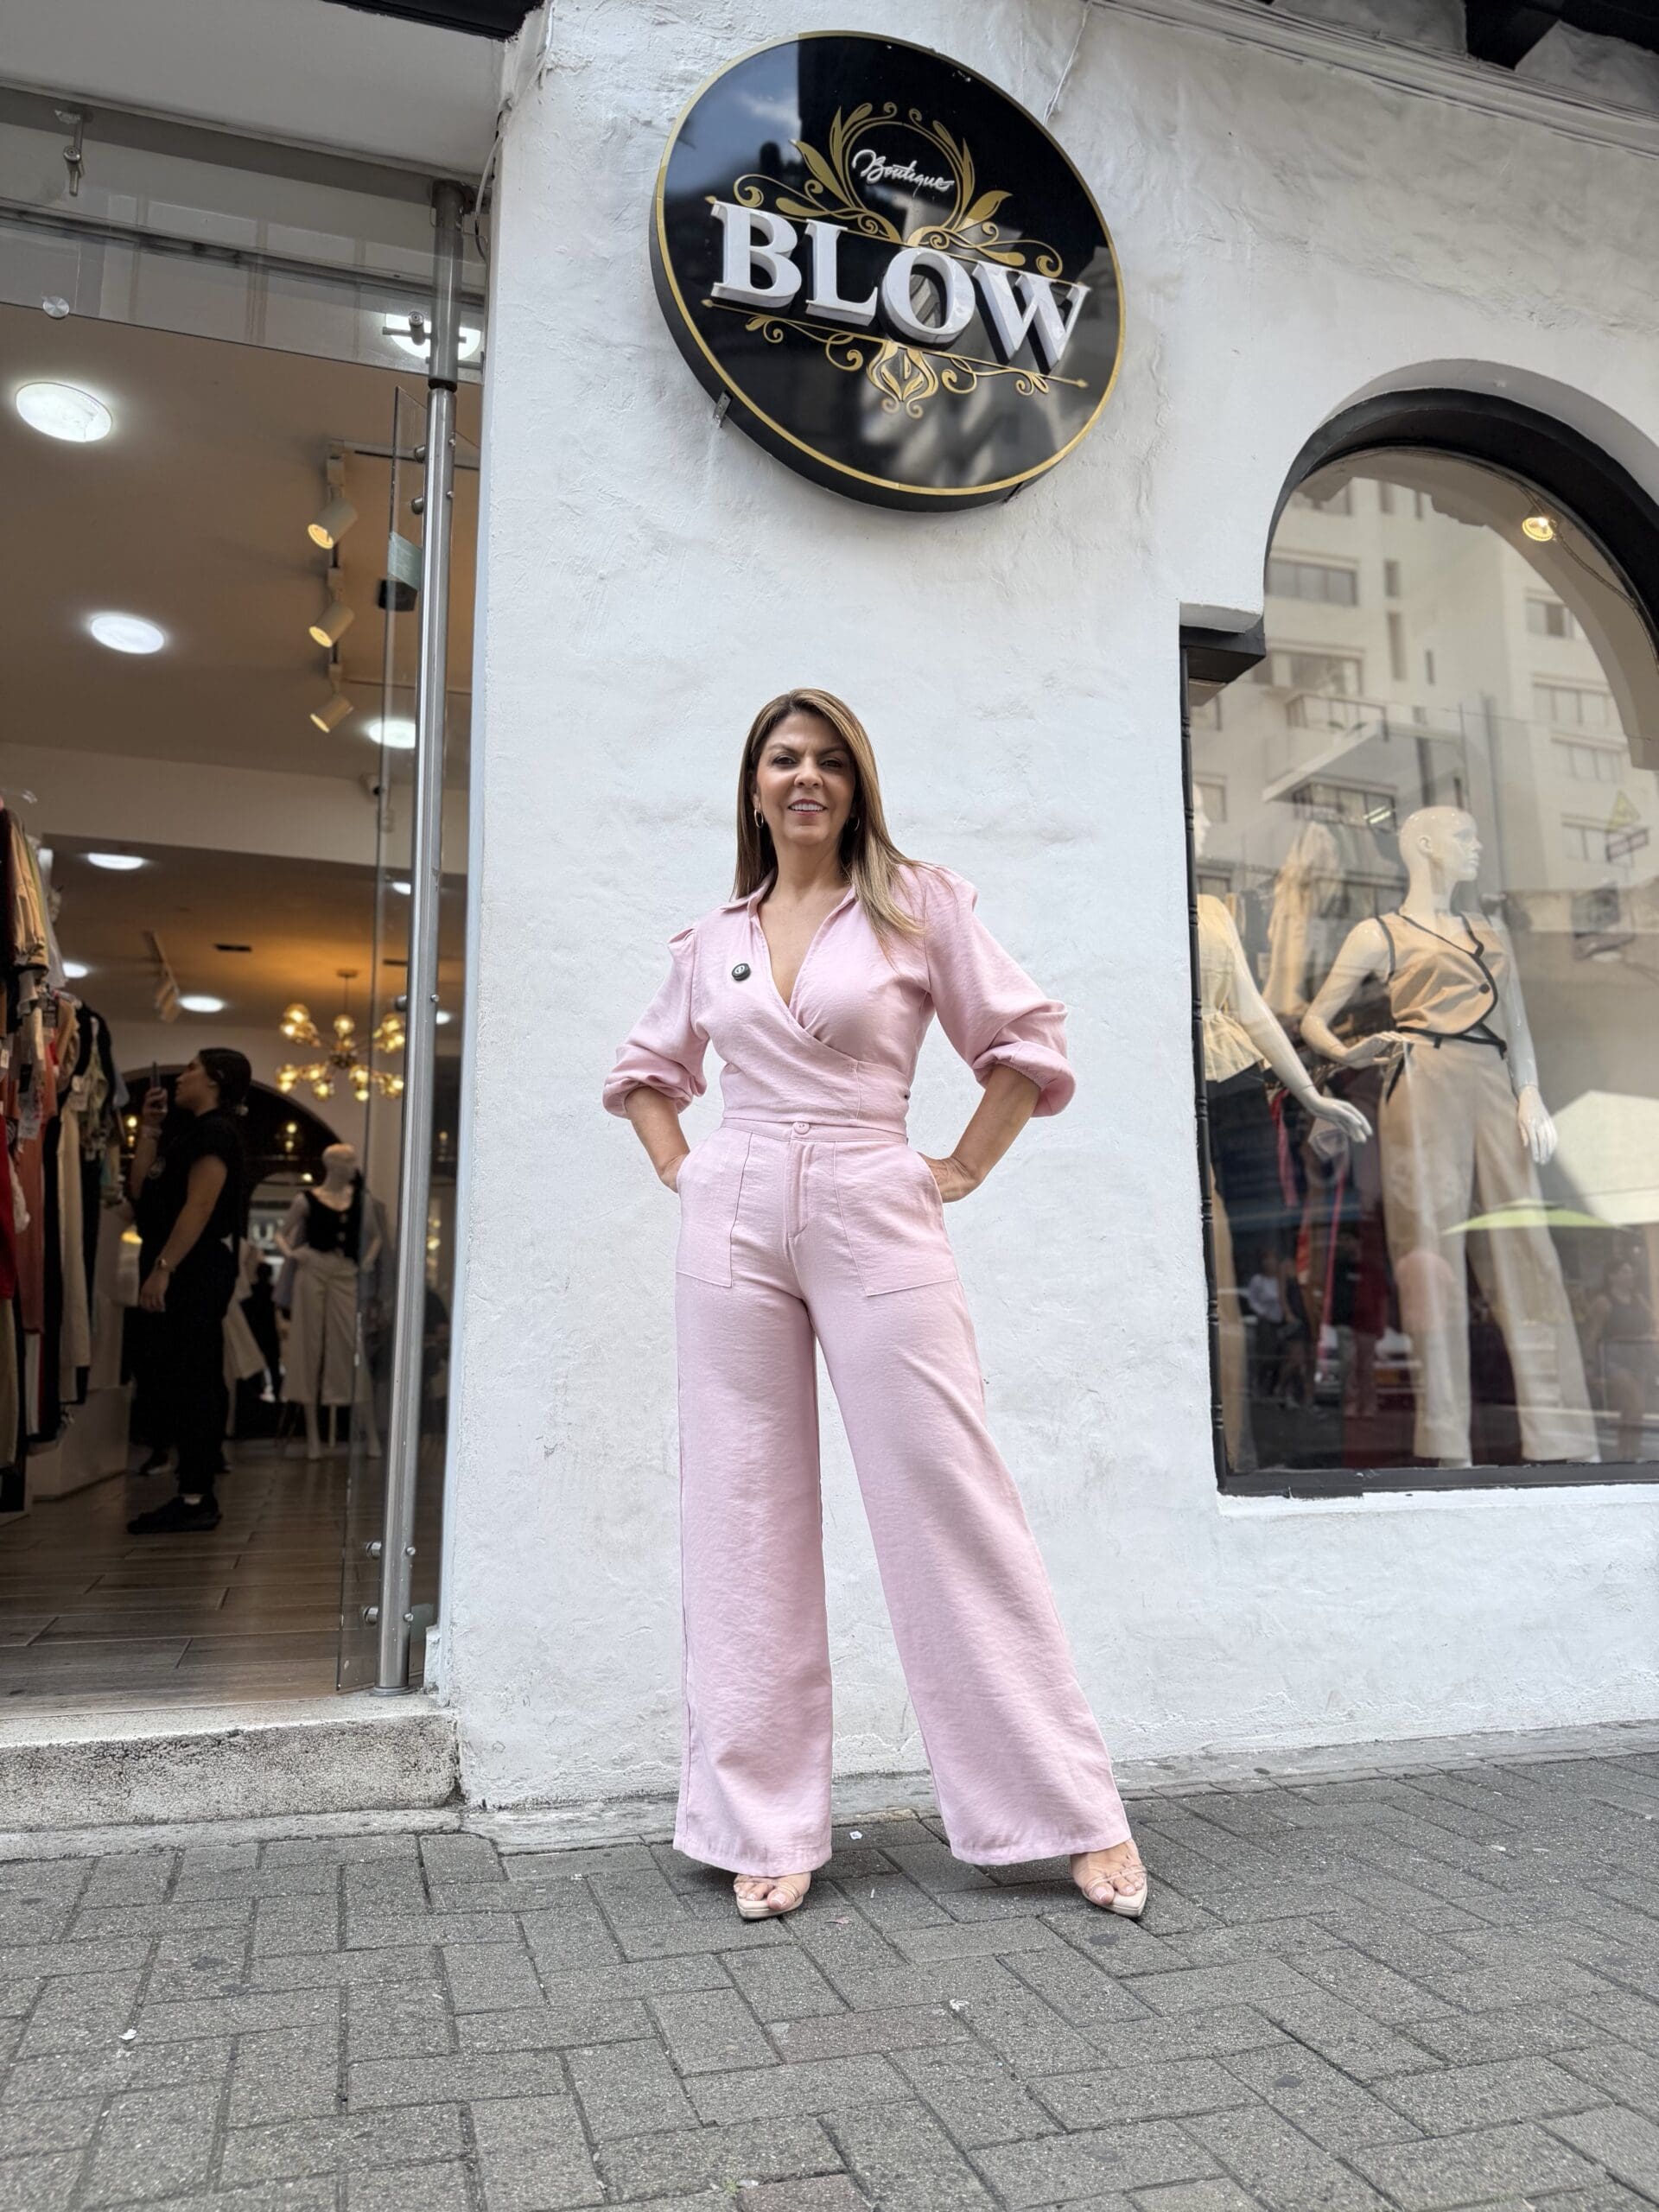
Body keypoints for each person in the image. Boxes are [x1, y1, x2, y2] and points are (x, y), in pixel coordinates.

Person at [603, 688, 1147, 1923]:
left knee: (945, 1489)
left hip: (870, 1192)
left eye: (830, 761)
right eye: (784, 759)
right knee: (740, 1510)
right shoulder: (713, 939)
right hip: (735, 1214)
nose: (806, 777)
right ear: (754, 788)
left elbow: (1025, 1041)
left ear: (856, 787)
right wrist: (688, 1172)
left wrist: (961, 1167)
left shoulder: (917, 906)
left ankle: (1068, 1810)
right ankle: (760, 1822)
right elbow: (646, 1072)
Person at [125, 1050, 251, 1534]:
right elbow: (141, 1190)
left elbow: (199, 1207)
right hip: (178, 1264)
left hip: (193, 1269)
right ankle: (191, 1492)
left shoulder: (216, 1133)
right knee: (174, 1375)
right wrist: (150, 1128)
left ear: (215, 1080)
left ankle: (197, 1495)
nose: (182, 1076)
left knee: (193, 1376)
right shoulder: (186, 1133)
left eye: (194, 1068)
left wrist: (164, 1268)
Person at [1585, 1257, 1655, 1463]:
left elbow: (1651, 1321)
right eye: (1624, 1271)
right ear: (1612, 1276)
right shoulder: (1603, 1302)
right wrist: (1590, 1365)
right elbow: (1592, 1335)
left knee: (1633, 1408)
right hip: (1614, 1357)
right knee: (1636, 1402)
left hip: (1639, 1356)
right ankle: (1628, 1452)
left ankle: (1629, 1451)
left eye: (1631, 1271)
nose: (1630, 1275)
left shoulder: (1639, 1298)